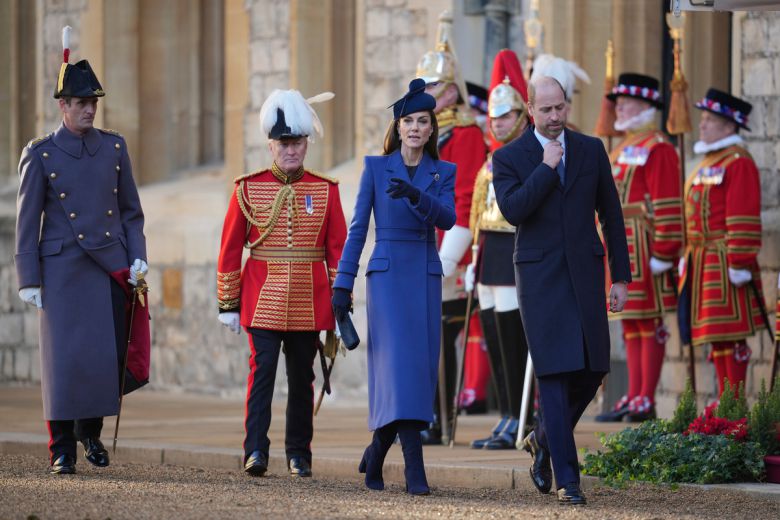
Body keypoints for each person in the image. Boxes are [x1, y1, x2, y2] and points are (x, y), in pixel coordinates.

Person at [15, 26, 149, 475]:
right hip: (60, 270)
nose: (90, 108)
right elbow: (26, 221)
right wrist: (28, 277)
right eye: (81, 102)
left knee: (101, 358)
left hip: (108, 264)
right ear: (63, 105)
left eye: (94, 102)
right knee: (63, 362)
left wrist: (137, 254)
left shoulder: (114, 147)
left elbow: (131, 211)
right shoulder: (41, 154)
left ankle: (89, 432)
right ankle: (61, 449)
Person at [492, 76, 630, 505]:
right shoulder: (508, 157)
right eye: (546, 110)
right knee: (553, 374)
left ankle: (543, 437)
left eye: (561, 108)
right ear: (531, 109)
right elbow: (514, 210)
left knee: (593, 368)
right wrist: (546, 167)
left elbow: (611, 214)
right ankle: (568, 481)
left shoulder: (590, 149)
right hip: (540, 277)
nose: (555, 117)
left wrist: (621, 277)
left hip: (585, 272)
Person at [331, 78, 456, 495]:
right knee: (398, 369)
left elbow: (448, 218)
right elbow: (357, 230)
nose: (416, 128)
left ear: (432, 128)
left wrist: (416, 196)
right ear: (398, 127)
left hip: (424, 274)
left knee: (418, 371)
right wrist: (342, 284)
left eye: (423, 121)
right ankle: (415, 469)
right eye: (409, 121)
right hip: (386, 279)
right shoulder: (375, 168)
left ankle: (376, 452)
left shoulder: (444, 171)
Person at [217, 89, 346, 479]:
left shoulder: (326, 189)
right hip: (262, 298)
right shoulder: (247, 188)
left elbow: (337, 250)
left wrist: (341, 304)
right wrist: (228, 303)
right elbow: (230, 248)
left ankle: (299, 454)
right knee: (263, 373)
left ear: (306, 144)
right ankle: (256, 449)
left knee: (302, 379)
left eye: (297, 142)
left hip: (309, 299)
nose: (291, 150)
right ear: (271, 145)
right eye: (284, 143)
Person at [416, 10, 488, 444]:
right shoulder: (421, 132)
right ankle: (422, 413)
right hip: (420, 244)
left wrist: (448, 257)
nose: (425, 96)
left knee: (442, 335)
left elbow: (466, 201)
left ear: (449, 92)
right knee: (422, 336)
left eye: (431, 89)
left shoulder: (466, 134)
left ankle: (439, 420)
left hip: (449, 250)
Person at [595, 73, 682, 423]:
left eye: (627, 104)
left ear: (645, 107)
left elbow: (667, 202)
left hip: (645, 243)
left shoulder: (658, 147)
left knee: (648, 320)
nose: (619, 110)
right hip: (620, 240)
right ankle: (633, 394)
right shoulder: (621, 148)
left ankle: (646, 397)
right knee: (630, 321)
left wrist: (665, 248)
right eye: (618, 104)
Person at [467, 49, 533, 450]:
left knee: (512, 336)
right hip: (490, 249)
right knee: (493, 333)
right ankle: (507, 412)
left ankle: (521, 415)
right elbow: (479, 210)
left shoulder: (529, 154)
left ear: (522, 115)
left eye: (506, 116)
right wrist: (474, 254)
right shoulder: (492, 158)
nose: (497, 123)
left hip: (513, 247)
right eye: (494, 118)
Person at [679, 88, 763, 398]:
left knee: (731, 334)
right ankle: (724, 401)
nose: (702, 124)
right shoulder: (708, 161)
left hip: (726, 260)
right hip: (702, 258)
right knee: (715, 335)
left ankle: (733, 402)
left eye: (710, 120)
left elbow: (743, 213)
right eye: (702, 118)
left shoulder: (738, 162)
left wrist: (739, 259)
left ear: (729, 126)